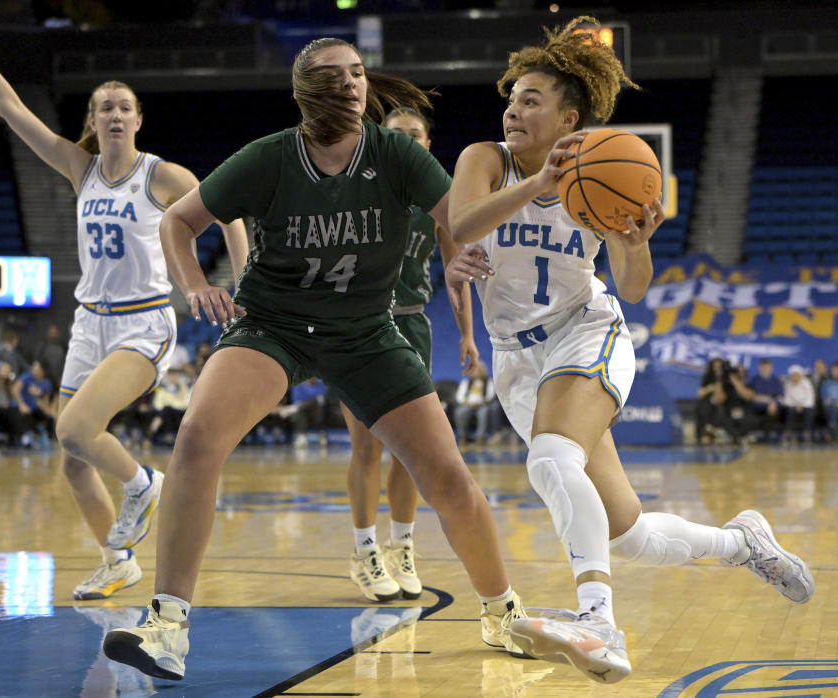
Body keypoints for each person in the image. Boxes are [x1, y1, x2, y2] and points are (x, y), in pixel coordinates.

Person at [102, 37, 528, 681]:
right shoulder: (269, 159)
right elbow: (177, 223)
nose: (353, 84)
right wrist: (194, 284)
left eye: (359, 73)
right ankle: (167, 623)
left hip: (365, 330)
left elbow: (460, 220)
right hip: (274, 327)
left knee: (445, 475)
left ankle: (504, 611)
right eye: (336, 76)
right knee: (195, 438)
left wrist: (468, 247)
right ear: (306, 91)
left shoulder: (397, 156)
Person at [444, 16, 814, 684]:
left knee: (552, 459)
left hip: (586, 330)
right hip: (515, 359)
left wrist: (636, 238)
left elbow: (636, 288)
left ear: (569, 118)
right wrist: (537, 187)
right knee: (625, 533)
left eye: (532, 100)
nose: (514, 109)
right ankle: (742, 543)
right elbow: (463, 222)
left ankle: (597, 621)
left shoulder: (602, 167)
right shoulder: (486, 159)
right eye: (513, 98)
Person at [0, 66, 248, 600]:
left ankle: (142, 484)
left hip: (143, 320)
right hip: (89, 323)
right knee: (73, 462)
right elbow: (11, 107)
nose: (114, 114)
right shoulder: (78, 167)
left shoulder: (162, 175)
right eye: (104, 107)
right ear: (92, 120)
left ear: (137, 120)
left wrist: (241, 279)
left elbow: (230, 214)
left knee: (73, 431)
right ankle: (117, 562)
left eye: (123, 107)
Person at [342, 106, 479, 605]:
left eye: (414, 134)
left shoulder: (437, 199)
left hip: (412, 322)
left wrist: (467, 335)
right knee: (367, 445)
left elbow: (456, 269)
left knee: (411, 449)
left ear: (426, 144)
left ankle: (401, 546)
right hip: (357, 326)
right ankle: (363, 550)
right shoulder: (352, 190)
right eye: (395, 134)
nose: (404, 141)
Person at [454, 360, 495, 447]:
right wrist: (467, 402)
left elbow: (490, 395)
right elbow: (459, 396)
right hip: (468, 405)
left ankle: (480, 438)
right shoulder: (466, 383)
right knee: (459, 412)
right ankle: (463, 436)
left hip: (482, 405)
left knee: (483, 413)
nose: (476, 372)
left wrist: (482, 402)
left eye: (478, 370)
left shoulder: (489, 382)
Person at [781, 364, 815, 445]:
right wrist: (796, 405)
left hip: (806, 406)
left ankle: (807, 433)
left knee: (809, 411)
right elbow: (786, 399)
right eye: (793, 375)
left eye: (797, 375)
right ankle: (788, 433)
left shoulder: (807, 383)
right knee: (790, 411)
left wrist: (802, 405)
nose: (795, 377)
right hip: (793, 406)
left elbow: (810, 398)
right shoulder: (788, 385)